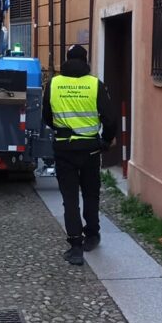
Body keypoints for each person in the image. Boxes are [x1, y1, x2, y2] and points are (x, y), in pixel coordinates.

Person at [42, 44, 117, 266]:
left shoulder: (54, 84)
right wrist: (105, 140)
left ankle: (75, 246)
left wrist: (60, 130)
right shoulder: (95, 85)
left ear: (66, 60)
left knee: (70, 197)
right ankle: (92, 235)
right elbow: (110, 118)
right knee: (91, 193)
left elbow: (47, 115)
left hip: (64, 149)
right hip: (90, 150)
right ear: (86, 61)